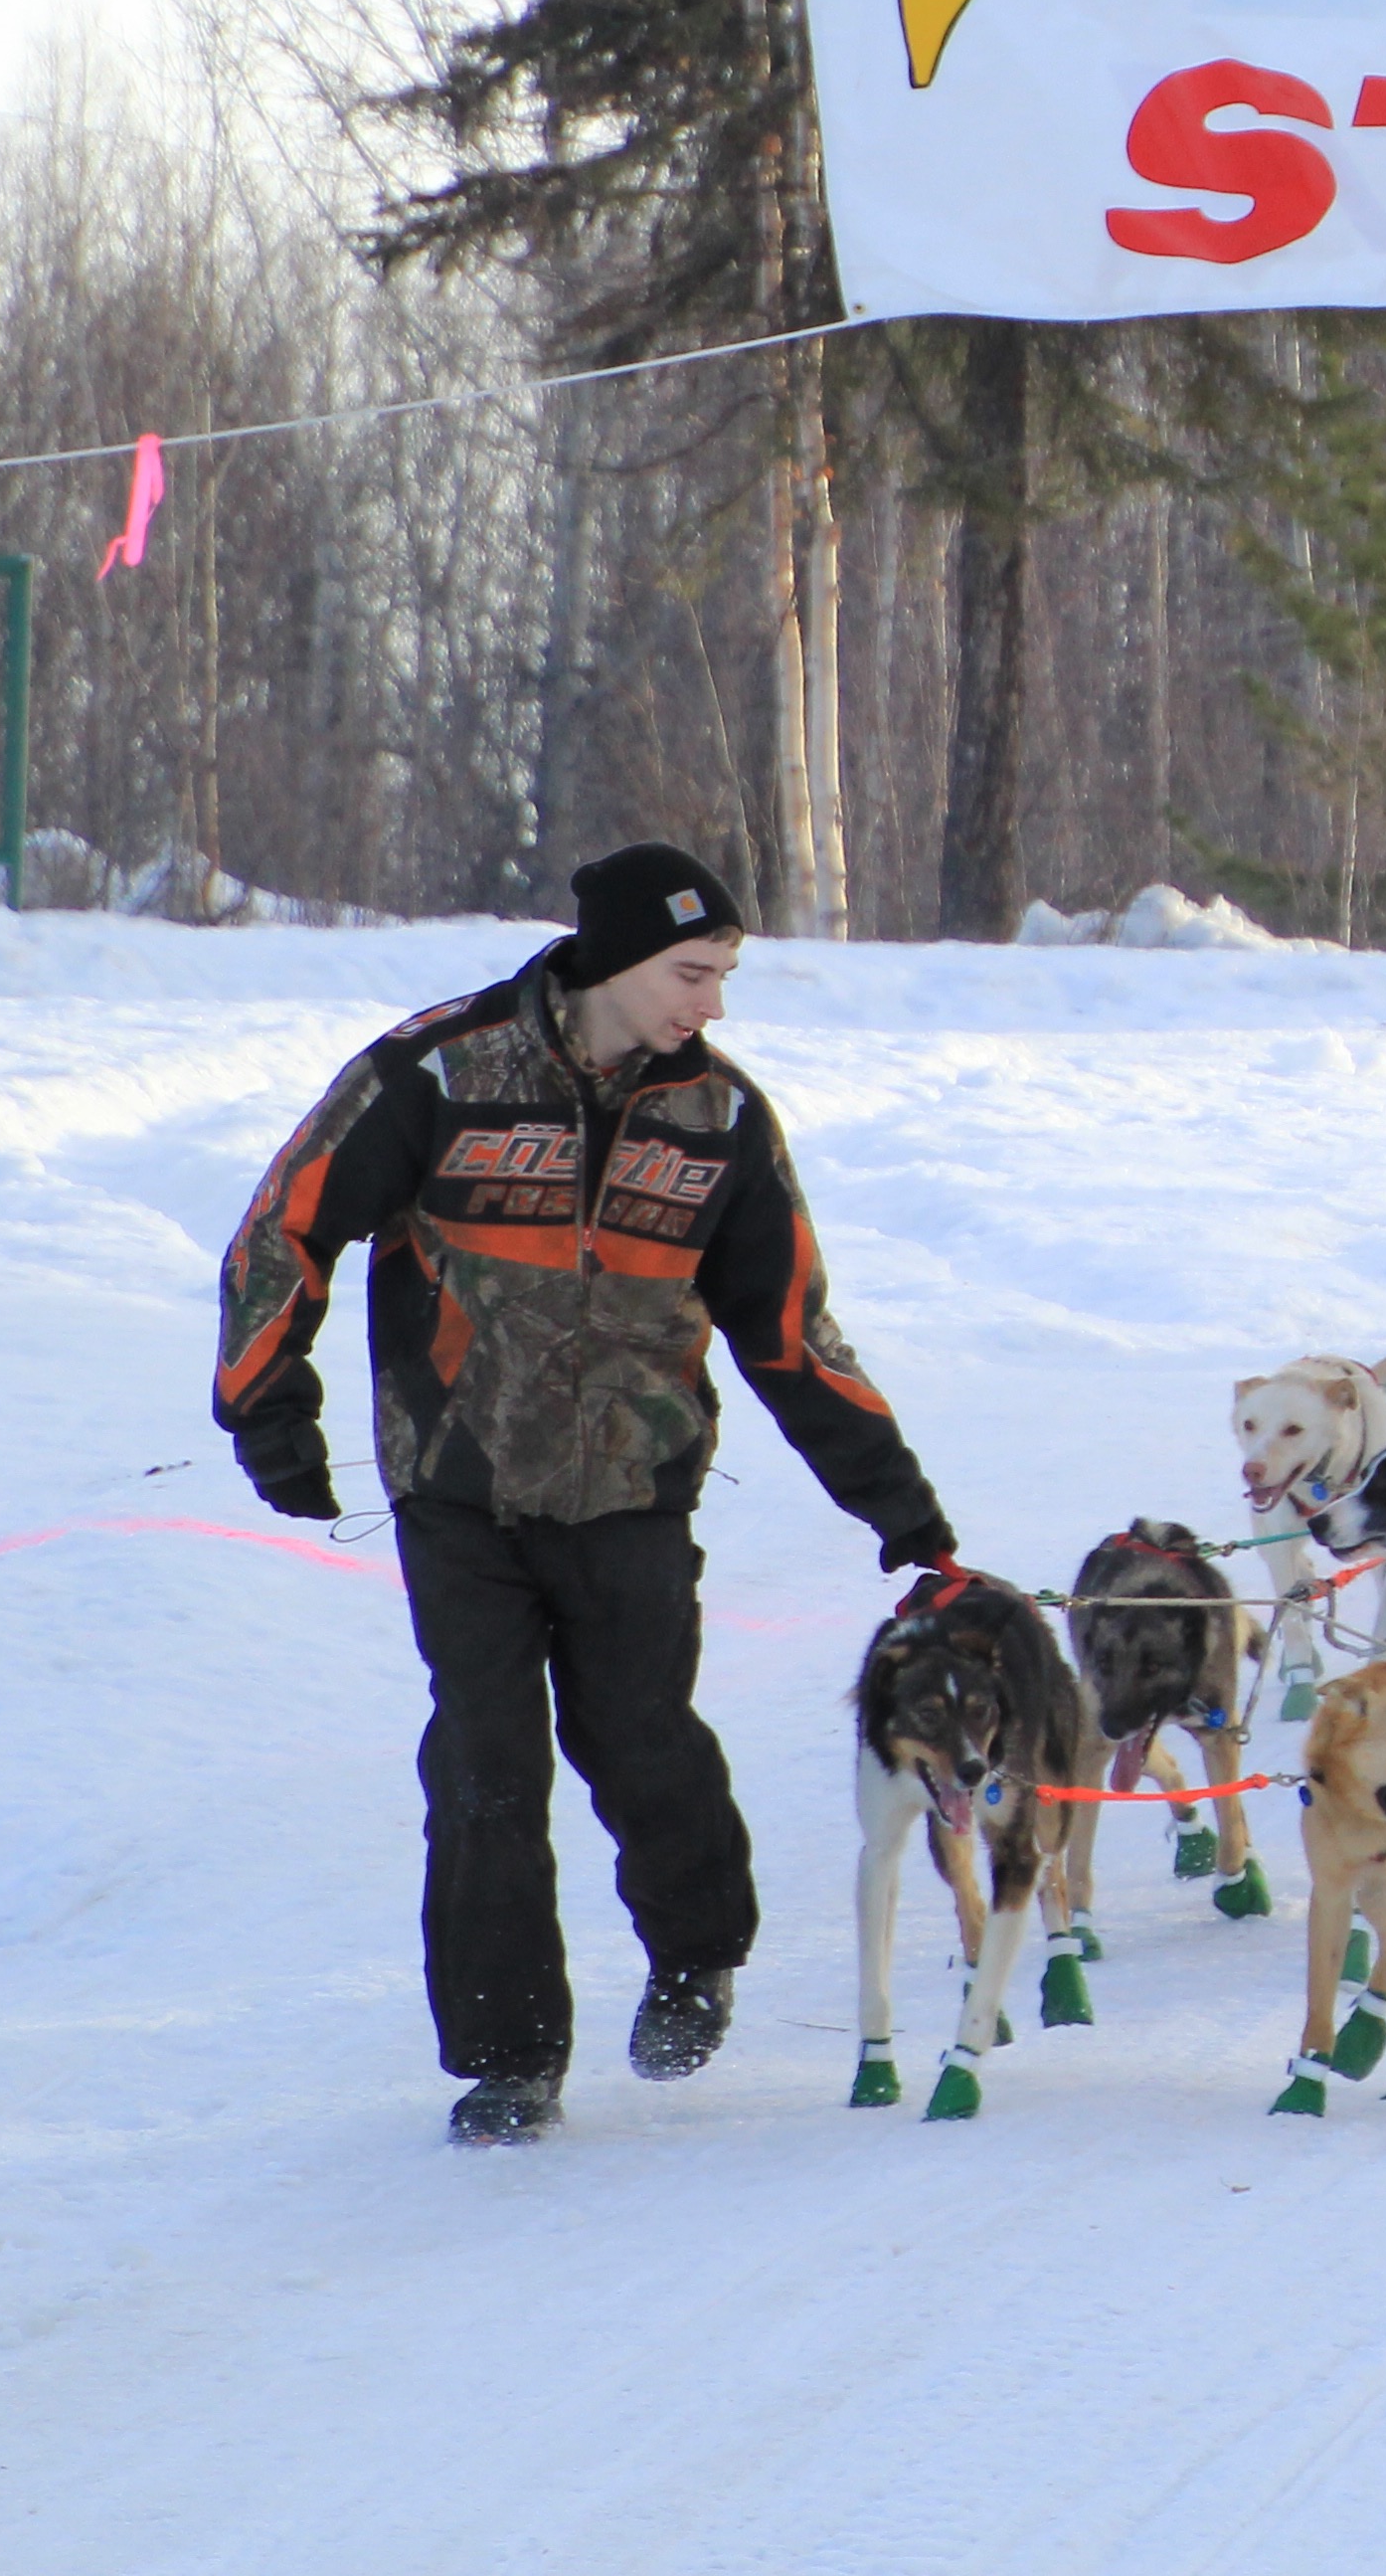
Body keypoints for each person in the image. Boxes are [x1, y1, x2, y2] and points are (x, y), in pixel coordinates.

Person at [211, 843, 956, 2146]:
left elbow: (791, 1332)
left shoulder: (720, 1122)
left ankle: (695, 1950)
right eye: (693, 973)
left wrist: (898, 1508)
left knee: (638, 1738)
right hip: (459, 1488)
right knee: (487, 1766)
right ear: (614, 962)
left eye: (723, 976)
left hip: (631, 1491)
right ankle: (509, 2057)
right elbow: (287, 1223)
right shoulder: (437, 1073)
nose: (711, 1005)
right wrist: (272, 1411)